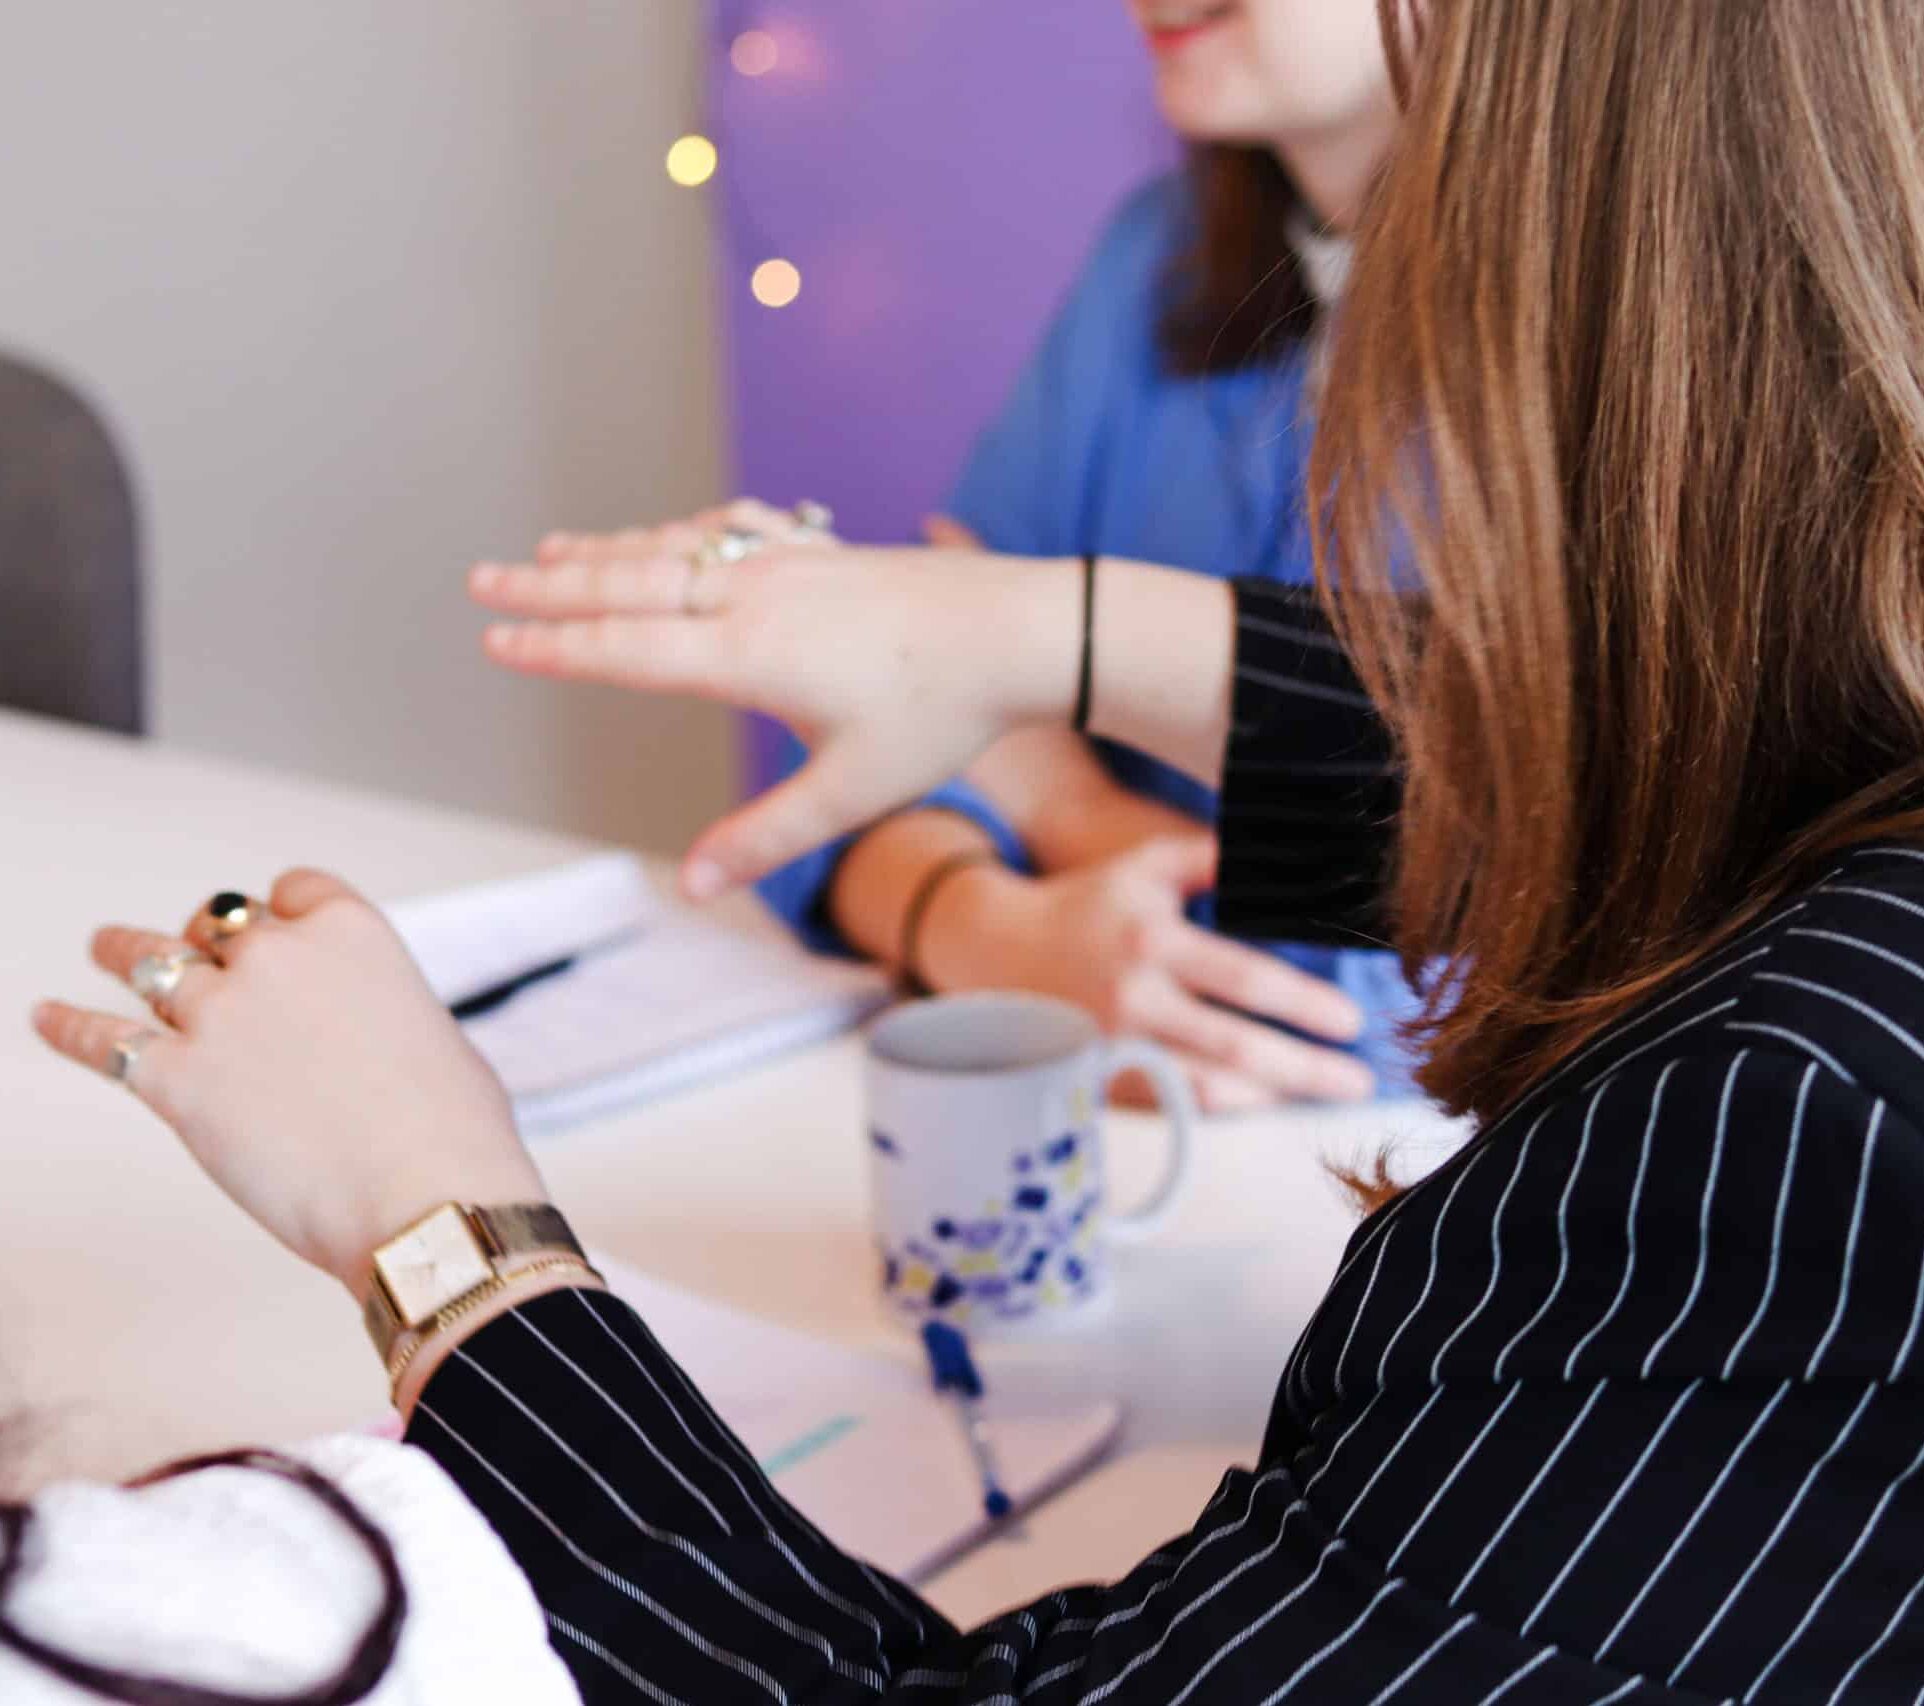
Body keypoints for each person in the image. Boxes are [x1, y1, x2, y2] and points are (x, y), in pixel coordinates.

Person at [24, 0, 1924, 1698]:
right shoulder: (1141, 292)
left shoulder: (1772, 1151)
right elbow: (871, 793)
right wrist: (1025, 699)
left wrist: (438, 1224)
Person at [544, 0, 1412, 1113]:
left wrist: (1049, 778)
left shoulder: (1638, 362)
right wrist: (985, 923)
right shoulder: (1154, 256)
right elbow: (897, 731)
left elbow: (1464, 899)